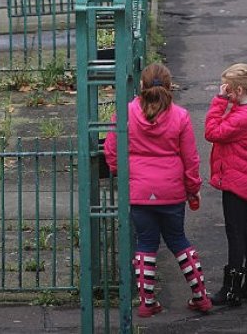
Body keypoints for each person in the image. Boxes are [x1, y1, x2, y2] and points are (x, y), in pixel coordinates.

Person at [104, 63, 212, 317]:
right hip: (171, 190)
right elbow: (191, 158)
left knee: (146, 244)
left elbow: (111, 149)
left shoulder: (125, 112)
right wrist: (192, 188)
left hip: (139, 190)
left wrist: (121, 173)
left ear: (141, 86)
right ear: (169, 85)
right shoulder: (180, 116)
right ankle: (201, 296)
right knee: (179, 240)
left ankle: (146, 303)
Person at [204, 63, 247, 307]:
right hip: (244, 177)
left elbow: (212, 131)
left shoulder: (242, 117)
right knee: (246, 230)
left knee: (235, 233)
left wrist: (219, 101)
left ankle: (231, 288)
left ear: (238, 91)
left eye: (228, 89)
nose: (224, 92)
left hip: (235, 178)